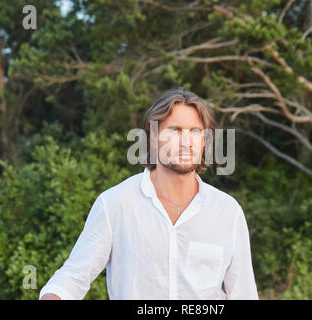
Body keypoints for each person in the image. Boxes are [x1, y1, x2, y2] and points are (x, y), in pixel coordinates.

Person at [39, 87, 259, 300]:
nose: (186, 142)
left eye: (195, 131)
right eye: (175, 130)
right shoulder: (115, 204)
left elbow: (244, 294)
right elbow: (71, 280)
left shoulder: (227, 212)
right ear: (153, 137)